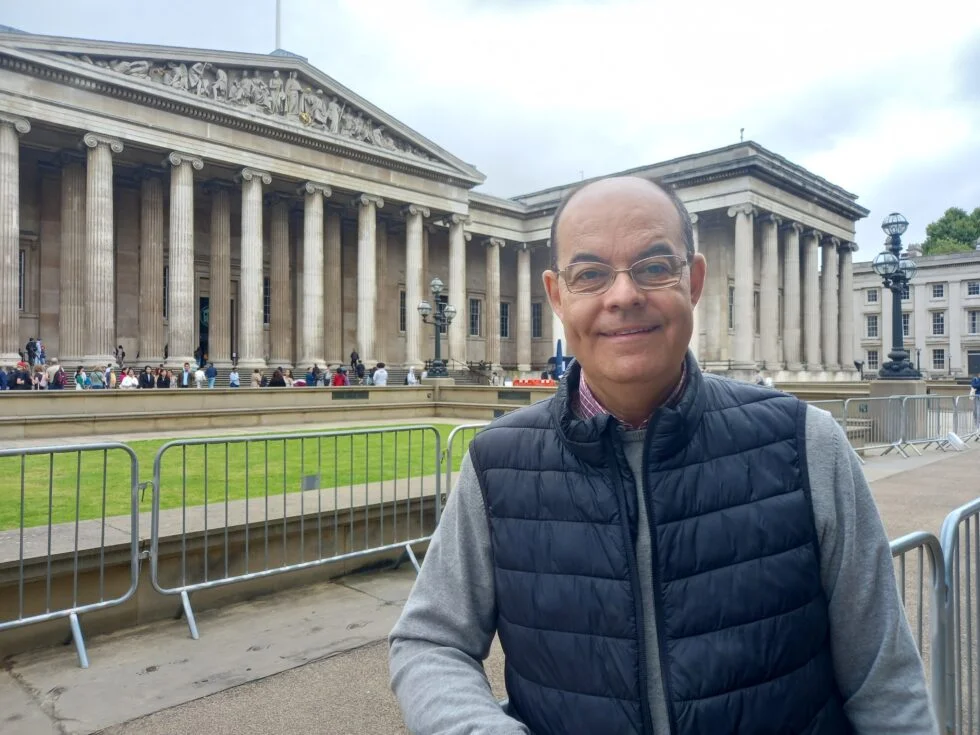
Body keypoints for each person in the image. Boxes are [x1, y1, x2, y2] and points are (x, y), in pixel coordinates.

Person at [389, 176, 935, 734]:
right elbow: (429, 641)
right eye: (591, 274)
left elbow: (888, 691)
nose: (623, 296)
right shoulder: (495, 464)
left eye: (653, 267)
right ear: (556, 296)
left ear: (693, 281)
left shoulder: (806, 443)